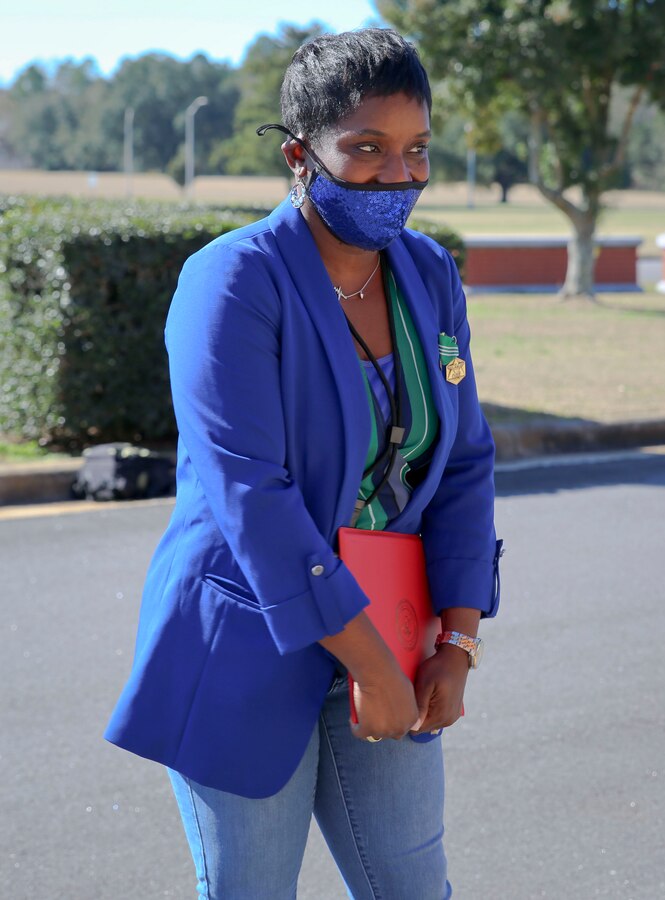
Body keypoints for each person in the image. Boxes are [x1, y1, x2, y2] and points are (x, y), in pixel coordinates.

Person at [104, 28, 503, 900]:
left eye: (416, 151)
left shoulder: (429, 274)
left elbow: (465, 461)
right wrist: (366, 662)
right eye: (366, 149)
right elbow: (250, 493)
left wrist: (458, 640)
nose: (398, 176)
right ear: (299, 153)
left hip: (394, 637)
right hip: (251, 639)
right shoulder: (232, 281)